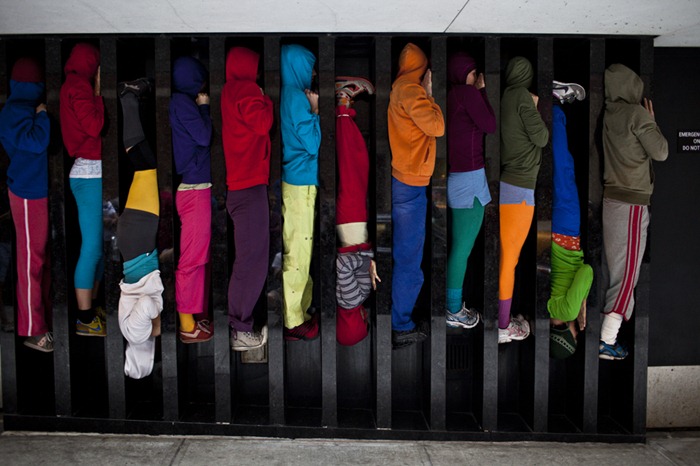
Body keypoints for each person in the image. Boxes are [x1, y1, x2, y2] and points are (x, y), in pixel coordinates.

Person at [599, 63, 668, 360]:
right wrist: (651, 122)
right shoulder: (636, 114)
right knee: (627, 275)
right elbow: (661, 151)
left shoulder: (609, 114)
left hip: (612, 202)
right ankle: (606, 340)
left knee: (617, 271)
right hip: (632, 204)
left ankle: (607, 337)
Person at [388, 43, 445, 349]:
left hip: (406, 180)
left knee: (407, 255)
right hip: (410, 184)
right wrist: (431, 93)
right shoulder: (412, 90)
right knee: (409, 258)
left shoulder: (400, 86)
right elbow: (436, 126)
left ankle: (401, 320)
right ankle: (400, 325)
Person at [221, 46, 273, 351]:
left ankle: (241, 325)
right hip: (250, 187)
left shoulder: (230, 90)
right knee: (251, 262)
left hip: (241, 186)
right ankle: (240, 328)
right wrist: (266, 97)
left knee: (248, 260)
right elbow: (263, 123)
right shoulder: (246, 89)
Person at [0, 57, 52, 352]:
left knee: (38, 262)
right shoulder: (13, 112)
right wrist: (43, 115)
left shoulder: (18, 109)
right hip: (28, 194)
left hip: (35, 193)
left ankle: (39, 323)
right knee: (31, 262)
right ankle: (33, 329)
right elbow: (35, 142)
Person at [497, 56, 548, 344]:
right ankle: (503, 326)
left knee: (505, 259)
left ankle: (503, 319)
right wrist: (536, 105)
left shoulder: (505, 95)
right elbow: (541, 137)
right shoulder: (522, 98)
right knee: (509, 262)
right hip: (520, 192)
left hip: (506, 188)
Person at [445, 51, 496, 329]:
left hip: (459, 177)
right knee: (462, 249)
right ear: (464, 73)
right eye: (474, 71)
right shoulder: (467, 93)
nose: (477, 76)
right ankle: (453, 309)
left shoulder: (452, 95)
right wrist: (483, 91)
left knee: (459, 247)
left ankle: (454, 305)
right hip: (470, 180)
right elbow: (490, 124)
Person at [116, 77, 163, 379]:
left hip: (138, 241)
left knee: (144, 168)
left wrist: (157, 324)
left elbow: (146, 304)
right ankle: (133, 102)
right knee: (144, 169)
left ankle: (128, 99)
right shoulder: (133, 335)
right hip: (137, 244)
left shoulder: (135, 335)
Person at [60, 43, 106, 337]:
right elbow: (94, 126)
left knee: (97, 248)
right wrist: (99, 96)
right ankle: (85, 318)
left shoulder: (72, 85)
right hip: (89, 173)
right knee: (91, 247)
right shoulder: (78, 86)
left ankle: (93, 309)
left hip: (88, 172)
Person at [169, 56, 214, 344]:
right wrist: (205, 107)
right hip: (195, 189)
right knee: (192, 259)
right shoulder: (183, 103)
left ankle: (194, 316)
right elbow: (205, 136)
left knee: (198, 257)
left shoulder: (178, 101)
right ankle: (187, 324)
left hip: (196, 187)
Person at [279, 44, 321, 341]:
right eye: (310, 66)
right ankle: (294, 320)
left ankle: (300, 314)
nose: (314, 73)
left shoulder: (289, 93)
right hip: (300, 183)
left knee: (300, 250)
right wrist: (316, 109)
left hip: (297, 181)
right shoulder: (296, 97)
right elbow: (313, 143)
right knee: (298, 253)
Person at [334, 76, 379, 346]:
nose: (365, 318)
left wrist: (368, 259)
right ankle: (342, 109)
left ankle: (343, 103)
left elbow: (343, 266)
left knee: (354, 167)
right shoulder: (348, 303)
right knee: (354, 170)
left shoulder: (351, 301)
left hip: (352, 237)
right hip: (352, 234)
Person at [547, 98, 593, 360]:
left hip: (568, 232)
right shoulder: (550, 307)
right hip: (555, 236)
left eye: (575, 337)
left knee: (564, 169)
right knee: (558, 172)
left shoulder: (568, 312)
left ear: (566, 335)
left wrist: (581, 304)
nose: (579, 332)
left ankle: (555, 110)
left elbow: (586, 271)